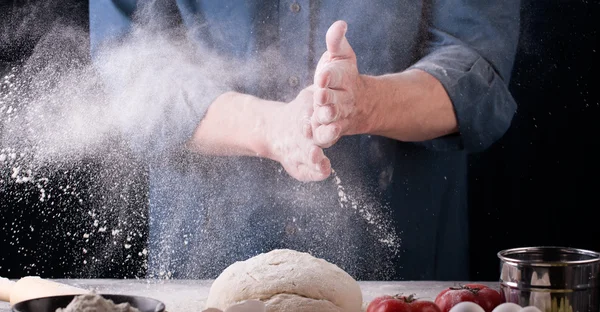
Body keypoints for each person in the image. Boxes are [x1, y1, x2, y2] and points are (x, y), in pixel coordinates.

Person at [88, 1, 520, 281]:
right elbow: (128, 66)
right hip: (204, 273)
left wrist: (365, 103)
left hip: (403, 289)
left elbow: (476, 68)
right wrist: (268, 127)